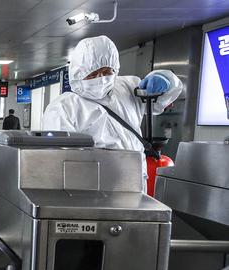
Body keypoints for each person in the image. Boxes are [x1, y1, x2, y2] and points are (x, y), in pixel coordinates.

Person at [42, 35, 182, 191]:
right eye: (93, 74)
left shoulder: (128, 88)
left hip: (135, 184)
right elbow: (59, 158)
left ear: (115, 69)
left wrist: (166, 79)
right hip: (91, 189)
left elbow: (161, 101)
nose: (101, 79)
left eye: (106, 71)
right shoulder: (64, 107)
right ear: (78, 74)